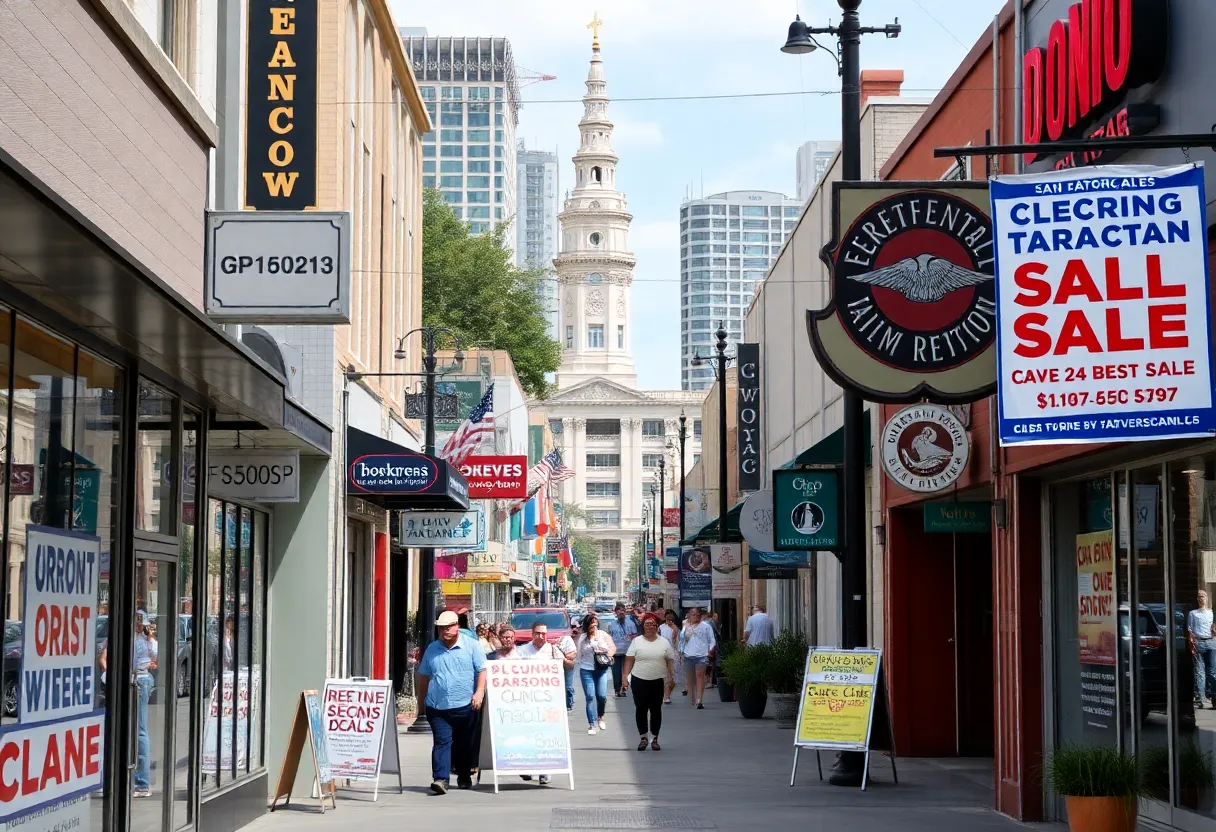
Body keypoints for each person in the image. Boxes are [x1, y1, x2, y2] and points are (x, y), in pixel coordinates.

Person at [416, 610, 487, 795]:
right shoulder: (432, 649)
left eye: (448, 627)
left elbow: (482, 670)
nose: (444, 631)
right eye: (441, 628)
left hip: (466, 705)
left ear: (457, 626)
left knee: (464, 743)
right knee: (442, 742)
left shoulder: (472, 645)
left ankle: (464, 774)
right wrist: (421, 703)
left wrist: (479, 692)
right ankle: (440, 779)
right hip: (437, 706)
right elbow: (423, 676)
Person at [517, 622, 574, 785]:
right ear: (532, 634)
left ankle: (545, 770)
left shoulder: (553, 649)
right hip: (528, 700)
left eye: (544, 633)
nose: (541, 636)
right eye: (538, 633)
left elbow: (570, 666)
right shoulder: (523, 651)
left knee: (546, 734)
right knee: (528, 734)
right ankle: (528, 767)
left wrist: (563, 660)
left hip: (549, 700)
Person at [622, 613, 676, 751]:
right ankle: (643, 738)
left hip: (657, 680)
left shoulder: (664, 642)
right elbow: (629, 659)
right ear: (643, 626)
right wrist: (625, 676)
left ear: (657, 627)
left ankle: (654, 738)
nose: (650, 627)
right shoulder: (637, 641)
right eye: (647, 624)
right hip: (639, 679)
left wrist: (672, 677)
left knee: (656, 709)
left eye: (653, 624)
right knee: (641, 709)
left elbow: (670, 660)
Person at [576, 613, 615, 734]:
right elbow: (578, 653)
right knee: (590, 696)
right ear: (587, 625)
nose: (594, 626)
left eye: (596, 624)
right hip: (586, 669)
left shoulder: (603, 635)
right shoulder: (583, 638)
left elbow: (612, 647)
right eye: (592, 624)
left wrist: (608, 656)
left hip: (601, 669)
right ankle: (592, 724)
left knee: (601, 696)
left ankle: (600, 717)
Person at [682, 607, 716, 709]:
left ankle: (699, 699)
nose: (696, 615)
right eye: (693, 614)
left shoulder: (706, 626)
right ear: (689, 616)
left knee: (700, 675)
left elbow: (712, 640)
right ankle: (694, 695)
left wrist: (710, 650)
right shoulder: (686, 627)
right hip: (688, 655)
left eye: (697, 614)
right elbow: (681, 640)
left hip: (702, 655)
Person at [604, 603, 638, 697]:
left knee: (626, 672)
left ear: (625, 612)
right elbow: (608, 637)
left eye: (623, 611)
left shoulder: (631, 623)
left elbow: (635, 636)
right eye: (619, 612)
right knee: (616, 672)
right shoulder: (611, 624)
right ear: (616, 613)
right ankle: (617, 690)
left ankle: (624, 688)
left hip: (628, 652)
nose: (621, 613)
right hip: (615, 653)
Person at [1191, 590, 1216, 708]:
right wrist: (1192, 643)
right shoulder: (1193, 613)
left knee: (1212, 671)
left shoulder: (1211, 613)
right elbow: (1190, 630)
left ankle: (1213, 696)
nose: (1201, 599)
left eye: (1203, 596)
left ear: (1206, 598)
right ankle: (1201, 699)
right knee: (1200, 672)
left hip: (1211, 642)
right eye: (1199, 597)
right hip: (1199, 642)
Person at [659, 609, 684, 704]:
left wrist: (680, 655)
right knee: (664, 676)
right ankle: (665, 695)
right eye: (667, 618)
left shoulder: (676, 628)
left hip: (673, 654)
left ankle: (667, 694)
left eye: (670, 618)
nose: (669, 620)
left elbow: (677, 642)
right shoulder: (661, 627)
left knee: (673, 677)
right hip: (662, 654)